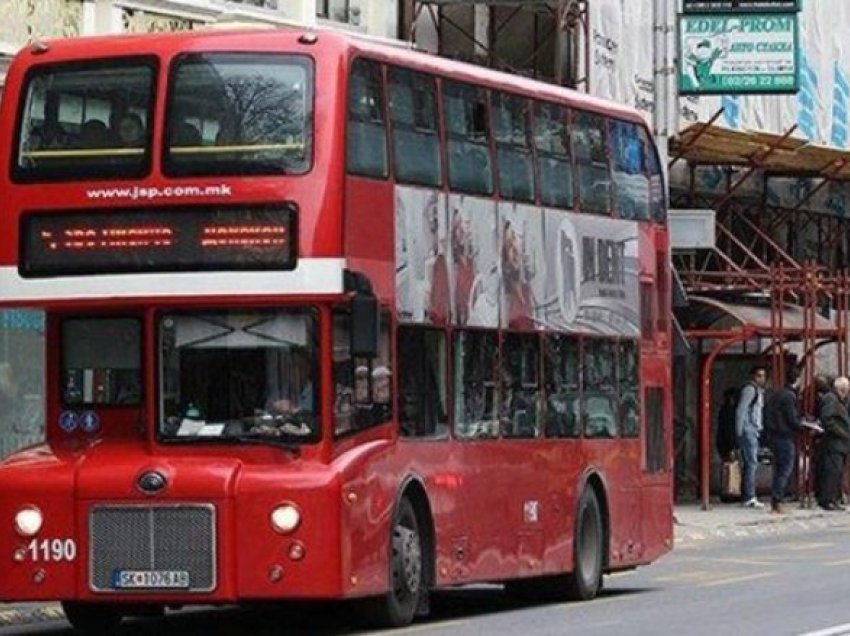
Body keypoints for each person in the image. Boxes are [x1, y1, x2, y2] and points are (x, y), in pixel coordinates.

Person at [764, 366, 805, 514]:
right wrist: (803, 426)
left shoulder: (777, 394)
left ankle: (776, 500)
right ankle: (777, 500)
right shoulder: (789, 396)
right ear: (797, 379)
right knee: (785, 469)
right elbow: (792, 419)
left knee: (779, 469)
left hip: (774, 435)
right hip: (784, 436)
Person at [735, 365, 768, 508]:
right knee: (751, 463)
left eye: (763, 376)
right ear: (753, 376)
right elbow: (741, 410)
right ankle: (750, 496)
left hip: (752, 430)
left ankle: (748, 495)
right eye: (759, 376)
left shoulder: (758, 391)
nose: (762, 379)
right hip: (749, 430)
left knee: (750, 463)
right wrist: (739, 431)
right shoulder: (750, 390)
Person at [815, 376, 850, 510]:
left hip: (840, 444)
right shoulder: (831, 399)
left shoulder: (837, 400)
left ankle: (833, 499)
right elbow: (828, 420)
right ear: (842, 389)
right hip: (834, 443)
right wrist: (843, 432)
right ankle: (827, 499)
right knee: (832, 471)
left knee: (837, 472)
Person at [716, 387, 739, 462]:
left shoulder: (724, 410)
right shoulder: (730, 411)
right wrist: (732, 447)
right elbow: (729, 430)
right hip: (728, 444)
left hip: (723, 443)